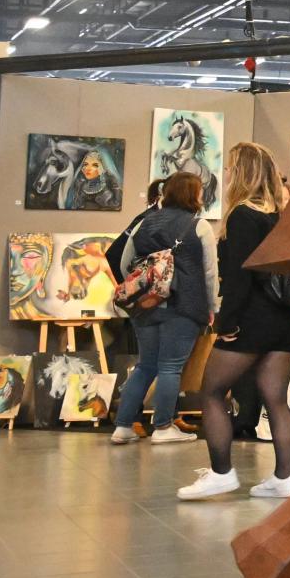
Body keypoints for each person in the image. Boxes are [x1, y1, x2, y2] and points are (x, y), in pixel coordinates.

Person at [181, 142, 290, 501]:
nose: (229, 173)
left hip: (252, 320)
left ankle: (222, 473)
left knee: (212, 391)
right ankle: (284, 477)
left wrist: (226, 324)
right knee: (276, 399)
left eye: (233, 167)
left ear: (245, 172)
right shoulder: (281, 216)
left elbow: (239, 278)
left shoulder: (242, 217)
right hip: (286, 321)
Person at [109, 172, 210, 445]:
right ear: (192, 194)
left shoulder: (145, 222)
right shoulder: (199, 226)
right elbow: (210, 273)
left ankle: (123, 426)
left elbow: (124, 262)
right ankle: (164, 427)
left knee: (145, 366)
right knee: (170, 367)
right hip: (182, 305)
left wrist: (142, 287)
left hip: (145, 307)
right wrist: (212, 307)